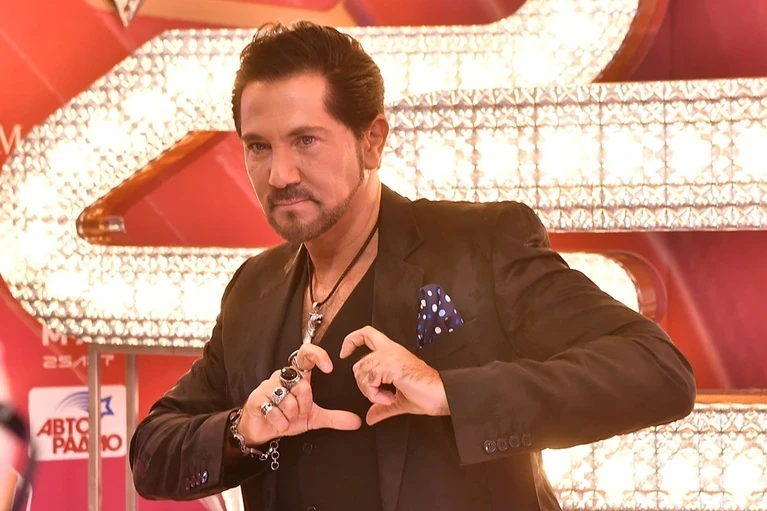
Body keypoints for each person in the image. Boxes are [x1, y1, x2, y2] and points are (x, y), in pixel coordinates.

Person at [129, 21, 696, 511]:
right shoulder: (253, 289)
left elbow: (657, 371)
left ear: (372, 141)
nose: (280, 174)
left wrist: (449, 391)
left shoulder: (478, 245)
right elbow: (152, 452)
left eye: (305, 140)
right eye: (258, 146)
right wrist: (242, 431)